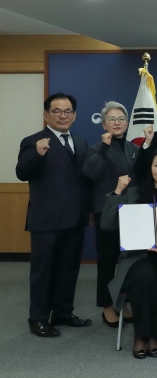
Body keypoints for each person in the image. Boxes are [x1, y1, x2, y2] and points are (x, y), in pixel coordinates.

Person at [102, 147, 157, 359]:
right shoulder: (134, 194)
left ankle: (154, 335)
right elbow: (106, 224)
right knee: (143, 276)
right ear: (150, 169)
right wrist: (117, 192)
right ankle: (141, 335)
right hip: (138, 256)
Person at [16, 93, 92, 337]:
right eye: (57, 111)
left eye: (68, 111)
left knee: (69, 270)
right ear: (46, 114)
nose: (63, 115)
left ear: (75, 115)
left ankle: (62, 312)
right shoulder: (33, 141)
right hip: (47, 221)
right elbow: (21, 172)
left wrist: (88, 211)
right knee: (43, 272)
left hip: (75, 219)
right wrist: (37, 154)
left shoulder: (80, 141)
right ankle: (38, 318)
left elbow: (82, 182)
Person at [82, 101, 138, 327]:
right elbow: (89, 173)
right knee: (107, 261)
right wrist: (105, 148)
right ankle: (107, 307)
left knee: (128, 262)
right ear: (103, 123)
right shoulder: (97, 148)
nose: (117, 123)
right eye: (112, 119)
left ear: (127, 123)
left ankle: (122, 303)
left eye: (121, 119)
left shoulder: (134, 148)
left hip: (132, 211)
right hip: (107, 211)